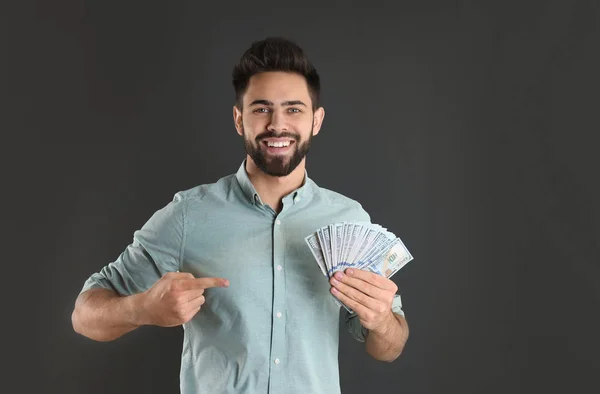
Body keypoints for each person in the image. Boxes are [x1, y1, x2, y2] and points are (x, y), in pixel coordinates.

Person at [71, 36, 409, 394]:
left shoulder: (349, 219)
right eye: (261, 109)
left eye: (294, 109)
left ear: (316, 121)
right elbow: (84, 315)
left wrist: (383, 320)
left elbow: (389, 347)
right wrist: (142, 309)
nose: (277, 124)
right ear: (238, 118)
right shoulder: (188, 215)